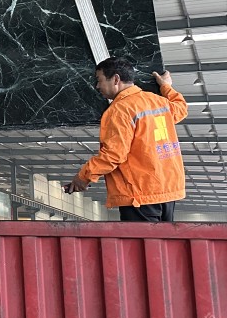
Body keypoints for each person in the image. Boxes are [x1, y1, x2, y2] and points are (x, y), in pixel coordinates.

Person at [64, 57, 187, 221]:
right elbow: (181, 109)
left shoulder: (120, 110)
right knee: (163, 238)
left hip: (140, 194)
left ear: (116, 79)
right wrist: (166, 86)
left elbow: (113, 155)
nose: (97, 86)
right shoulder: (158, 101)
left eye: (99, 80)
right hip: (167, 191)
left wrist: (83, 177)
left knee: (141, 238)